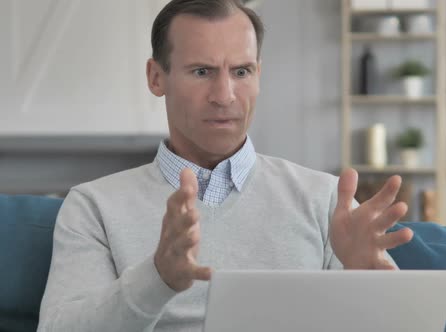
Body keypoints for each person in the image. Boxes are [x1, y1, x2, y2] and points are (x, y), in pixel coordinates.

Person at [37, 0, 413, 331]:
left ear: (258, 75)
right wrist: (158, 278)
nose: (224, 96)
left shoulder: (325, 199)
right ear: (156, 77)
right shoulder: (92, 206)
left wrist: (367, 282)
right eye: (202, 71)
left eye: (241, 72)